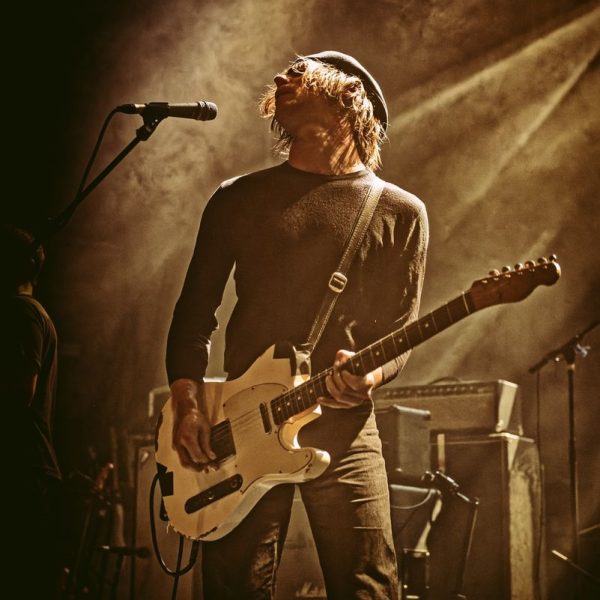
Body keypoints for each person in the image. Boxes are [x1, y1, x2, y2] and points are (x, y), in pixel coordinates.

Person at [166, 51, 429, 599]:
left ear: (349, 98)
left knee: (369, 585)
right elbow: (193, 314)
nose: (282, 76)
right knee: (235, 589)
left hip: (343, 424)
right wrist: (188, 406)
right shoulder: (237, 198)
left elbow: (398, 331)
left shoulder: (400, 212)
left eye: (302, 71)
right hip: (241, 421)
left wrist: (371, 376)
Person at [1, 224, 63, 597]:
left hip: (20, 470)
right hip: (29, 469)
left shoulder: (19, 312)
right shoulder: (33, 313)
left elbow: (20, 389)